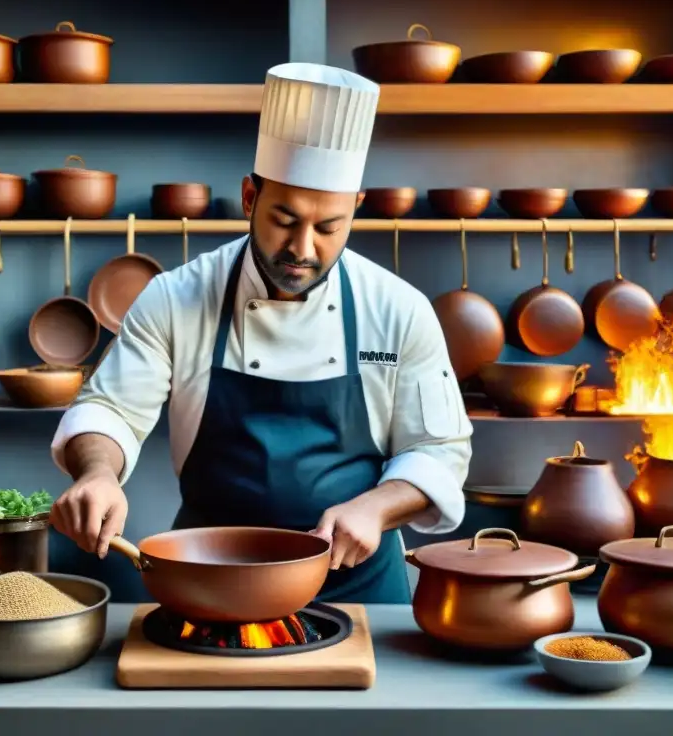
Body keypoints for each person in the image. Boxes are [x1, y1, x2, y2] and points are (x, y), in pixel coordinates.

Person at [49, 62, 473, 604]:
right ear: (251, 196)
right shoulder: (177, 297)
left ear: (356, 210)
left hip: (360, 586)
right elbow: (110, 412)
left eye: (328, 227)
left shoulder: (398, 309)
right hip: (211, 577)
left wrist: (376, 507)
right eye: (285, 219)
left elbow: (438, 451)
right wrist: (98, 474)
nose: (303, 247)